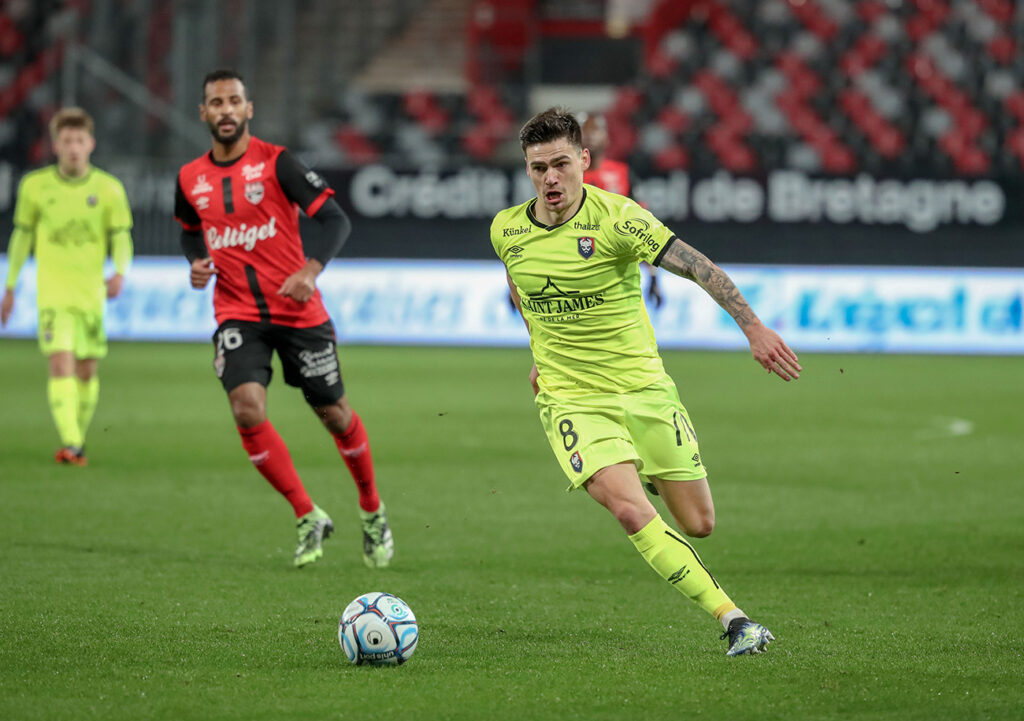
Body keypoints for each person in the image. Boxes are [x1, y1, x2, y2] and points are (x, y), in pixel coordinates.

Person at [491, 108, 801, 656]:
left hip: (645, 390)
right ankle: (735, 620)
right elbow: (521, 289)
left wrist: (752, 328)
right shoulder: (507, 230)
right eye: (538, 169)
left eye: (561, 164)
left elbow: (697, 266)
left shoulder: (620, 219)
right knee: (632, 510)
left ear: (585, 161)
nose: (550, 179)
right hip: (571, 399)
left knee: (700, 523)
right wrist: (539, 350)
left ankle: (653, 470)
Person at [173, 69, 393, 569]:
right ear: (203, 113)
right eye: (216, 102)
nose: (225, 110)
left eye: (234, 101)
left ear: (248, 109)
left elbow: (336, 220)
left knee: (335, 415)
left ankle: (371, 508)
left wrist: (311, 270)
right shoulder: (190, 178)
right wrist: (196, 260)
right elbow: (190, 230)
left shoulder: (278, 164)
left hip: (298, 312)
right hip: (236, 312)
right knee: (246, 408)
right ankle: (306, 514)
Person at [1, 107, 133, 466]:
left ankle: (78, 436)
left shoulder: (108, 189)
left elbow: (121, 237)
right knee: (60, 364)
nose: (73, 147)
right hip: (53, 294)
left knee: (87, 371)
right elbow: (21, 238)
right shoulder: (35, 186)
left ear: (90, 143)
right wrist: (9, 287)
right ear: (55, 145)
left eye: (79, 140)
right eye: (66, 141)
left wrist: (120, 271)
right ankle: (72, 443)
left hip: (91, 294)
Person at [580, 111, 662, 308]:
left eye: (595, 130)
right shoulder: (560, 176)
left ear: (606, 138)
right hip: (575, 272)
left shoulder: (623, 174)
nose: (590, 135)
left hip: (616, 275)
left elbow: (642, 226)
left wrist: (654, 277)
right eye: (584, 130)